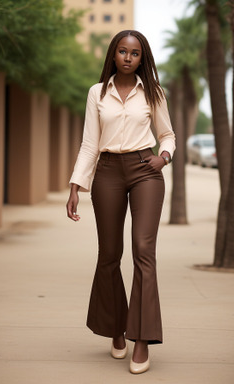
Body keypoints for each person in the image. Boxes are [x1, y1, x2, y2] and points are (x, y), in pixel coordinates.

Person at [66, 30, 175, 375]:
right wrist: (75, 185)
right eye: (122, 51)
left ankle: (140, 339)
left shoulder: (154, 93)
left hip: (146, 170)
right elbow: (89, 144)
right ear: (113, 55)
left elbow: (167, 134)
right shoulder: (97, 93)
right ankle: (115, 328)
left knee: (143, 250)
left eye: (135, 53)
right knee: (109, 255)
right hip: (108, 171)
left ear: (142, 58)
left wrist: (165, 156)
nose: (128, 57)